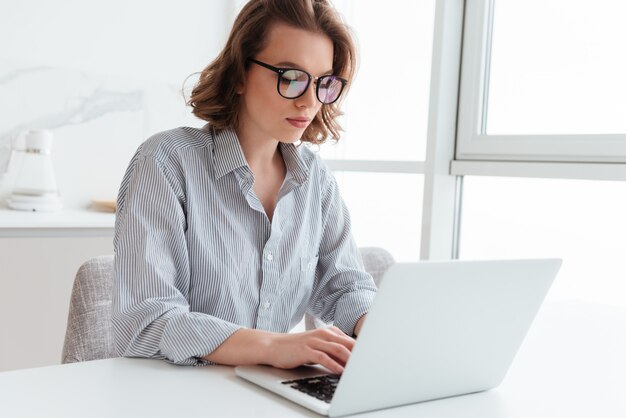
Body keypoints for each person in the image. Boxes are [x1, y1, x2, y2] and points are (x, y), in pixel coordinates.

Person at [112, 0, 377, 375]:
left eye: (323, 83)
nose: (309, 100)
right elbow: (146, 322)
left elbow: (345, 288)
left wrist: (382, 334)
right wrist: (273, 346)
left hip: (266, 394)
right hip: (174, 397)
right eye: (290, 77)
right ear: (239, 73)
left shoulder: (315, 181)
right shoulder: (166, 162)